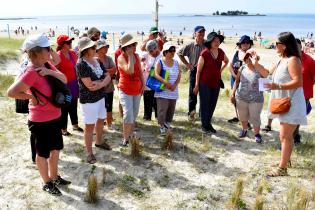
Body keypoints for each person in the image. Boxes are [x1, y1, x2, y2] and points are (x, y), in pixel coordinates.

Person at [7, 34, 70, 196]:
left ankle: (55, 177)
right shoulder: (30, 72)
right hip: (40, 121)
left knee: (56, 149)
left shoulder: (47, 64)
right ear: (36, 52)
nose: (50, 50)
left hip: (55, 115)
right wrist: (31, 97)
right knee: (42, 153)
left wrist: (49, 71)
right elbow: (12, 92)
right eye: (47, 48)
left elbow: (63, 79)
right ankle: (47, 182)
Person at [257, 32, 307, 176]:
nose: (274, 46)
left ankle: (282, 168)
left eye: (277, 44)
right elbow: (266, 73)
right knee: (285, 136)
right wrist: (254, 63)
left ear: (284, 46)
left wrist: (277, 86)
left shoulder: (293, 60)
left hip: (292, 103)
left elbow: (298, 81)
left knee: (285, 136)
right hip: (284, 103)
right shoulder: (281, 60)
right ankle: (285, 161)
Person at [262, 39, 315, 144]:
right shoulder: (286, 59)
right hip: (287, 92)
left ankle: (294, 137)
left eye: (297, 46)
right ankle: (288, 137)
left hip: (304, 93)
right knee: (286, 116)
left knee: (296, 117)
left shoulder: (309, 60)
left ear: (301, 47)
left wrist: (309, 86)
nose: (295, 48)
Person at [76, 37, 112, 164]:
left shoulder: (97, 61)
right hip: (89, 100)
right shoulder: (81, 64)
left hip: (101, 96)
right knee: (89, 126)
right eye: (92, 47)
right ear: (85, 50)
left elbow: (108, 76)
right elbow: (90, 86)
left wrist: (100, 84)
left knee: (101, 120)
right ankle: (89, 153)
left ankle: (99, 142)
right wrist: (102, 81)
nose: (95, 49)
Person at [193, 32, 229, 134]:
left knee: (212, 104)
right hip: (204, 83)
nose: (217, 43)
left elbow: (227, 61)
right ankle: (204, 125)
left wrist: (220, 71)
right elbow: (198, 71)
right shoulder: (205, 53)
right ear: (210, 42)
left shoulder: (221, 52)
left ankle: (208, 123)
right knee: (205, 104)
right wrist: (196, 85)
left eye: (218, 41)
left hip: (216, 83)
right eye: (214, 41)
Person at [230, 50, 269, 143]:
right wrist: (232, 93)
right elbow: (236, 81)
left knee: (255, 117)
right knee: (242, 117)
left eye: (250, 57)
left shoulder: (260, 68)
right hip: (241, 97)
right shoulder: (242, 68)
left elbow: (266, 77)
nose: (248, 59)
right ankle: (244, 130)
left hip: (256, 99)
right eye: (246, 57)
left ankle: (257, 134)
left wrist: (256, 63)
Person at [117, 34, 144, 146]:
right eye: (132, 45)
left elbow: (140, 72)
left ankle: (131, 134)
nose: (135, 46)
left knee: (134, 113)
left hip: (137, 89)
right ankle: (125, 138)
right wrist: (130, 56)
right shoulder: (121, 58)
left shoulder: (137, 56)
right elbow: (130, 71)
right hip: (125, 89)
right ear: (126, 47)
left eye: (134, 44)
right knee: (128, 114)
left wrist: (143, 84)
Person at [56, 35, 83, 136]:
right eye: (68, 42)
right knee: (65, 107)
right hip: (64, 85)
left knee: (73, 105)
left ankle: (75, 125)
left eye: (71, 41)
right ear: (62, 45)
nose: (71, 43)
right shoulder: (58, 56)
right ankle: (63, 129)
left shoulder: (72, 53)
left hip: (74, 83)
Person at [178, 26, 206, 121]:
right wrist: (187, 64)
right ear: (194, 33)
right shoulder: (190, 45)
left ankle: (202, 115)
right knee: (193, 93)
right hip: (194, 71)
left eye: (203, 33)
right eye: (199, 33)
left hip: (204, 72)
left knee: (204, 94)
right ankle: (191, 114)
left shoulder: (207, 44)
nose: (201, 34)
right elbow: (179, 53)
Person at [154, 42, 181, 135]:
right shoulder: (160, 61)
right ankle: (161, 126)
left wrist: (174, 85)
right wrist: (166, 83)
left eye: (174, 50)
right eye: (171, 50)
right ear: (165, 52)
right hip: (163, 91)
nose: (173, 52)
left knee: (171, 109)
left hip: (173, 91)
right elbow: (156, 74)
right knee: (162, 109)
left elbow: (179, 75)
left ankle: (167, 124)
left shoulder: (176, 62)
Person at [228, 35, 254, 123]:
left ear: (250, 44)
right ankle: (238, 117)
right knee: (235, 98)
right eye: (243, 43)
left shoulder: (252, 54)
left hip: (246, 81)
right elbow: (230, 66)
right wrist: (234, 75)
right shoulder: (236, 53)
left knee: (245, 100)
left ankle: (246, 120)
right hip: (234, 79)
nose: (245, 44)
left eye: (247, 43)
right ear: (240, 44)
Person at [95, 39, 117, 130]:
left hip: (109, 88)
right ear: (99, 48)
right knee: (98, 108)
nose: (107, 48)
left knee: (109, 107)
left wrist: (103, 71)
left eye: (107, 46)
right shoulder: (94, 59)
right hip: (98, 89)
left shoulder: (109, 58)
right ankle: (98, 125)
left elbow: (114, 70)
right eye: (105, 47)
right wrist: (108, 72)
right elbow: (95, 73)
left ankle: (109, 123)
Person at [141, 40, 162, 120]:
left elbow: (161, 71)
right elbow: (141, 58)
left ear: (156, 48)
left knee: (157, 100)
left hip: (157, 81)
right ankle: (147, 116)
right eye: (149, 51)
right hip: (147, 81)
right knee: (147, 99)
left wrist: (148, 69)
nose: (150, 53)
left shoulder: (161, 56)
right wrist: (143, 63)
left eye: (151, 51)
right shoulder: (147, 54)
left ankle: (158, 116)